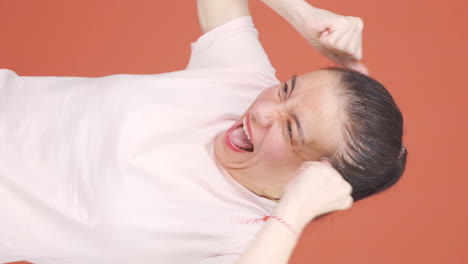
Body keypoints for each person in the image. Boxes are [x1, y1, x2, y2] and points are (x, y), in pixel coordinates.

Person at [0, 0, 407, 263]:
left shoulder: (241, 241)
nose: (263, 110)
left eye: (290, 129)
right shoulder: (242, 76)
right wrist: (302, 14)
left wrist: (295, 214)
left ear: (314, 177)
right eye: (286, 89)